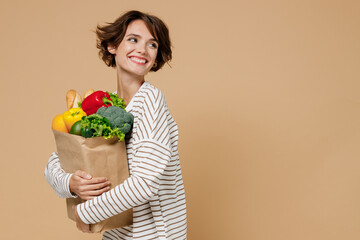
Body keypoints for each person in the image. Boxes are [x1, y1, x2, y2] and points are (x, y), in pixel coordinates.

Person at [45, 10, 187, 240]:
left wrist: (85, 212)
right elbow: (57, 160)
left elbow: (145, 184)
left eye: (152, 44)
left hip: (154, 235)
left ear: (157, 56)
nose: (142, 49)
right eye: (133, 39)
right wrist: (71, 183)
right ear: (113, 46)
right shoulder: (105, 105)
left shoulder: (151, 101)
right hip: (117, 233)